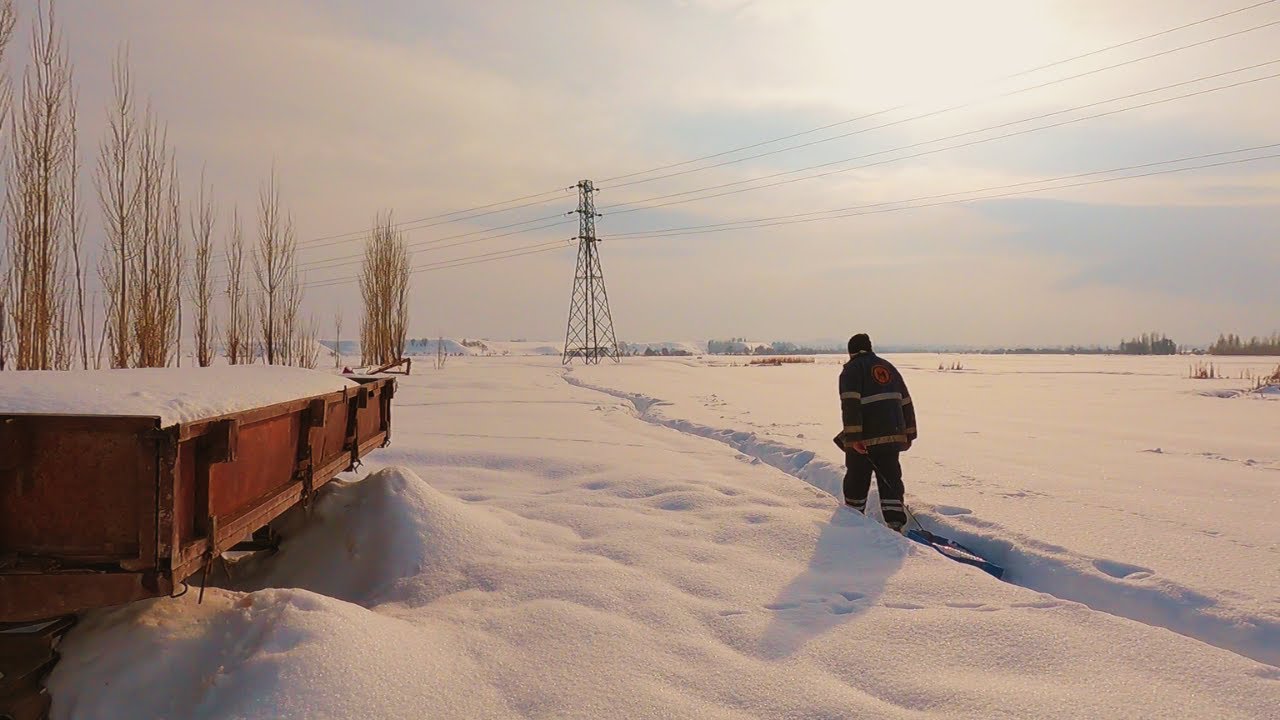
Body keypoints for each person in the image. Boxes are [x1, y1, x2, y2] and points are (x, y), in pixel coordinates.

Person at [833, 333, 917, 531]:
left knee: (857, 476)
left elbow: (850, 404)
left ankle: (853, 517)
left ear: (851, 351)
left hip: (865, 439)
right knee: (890, 477)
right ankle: (895, 522)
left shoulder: (851, 370)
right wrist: (909, 433)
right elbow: (906, 401)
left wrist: (854, 438)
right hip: (893, 435)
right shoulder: (888, 367)